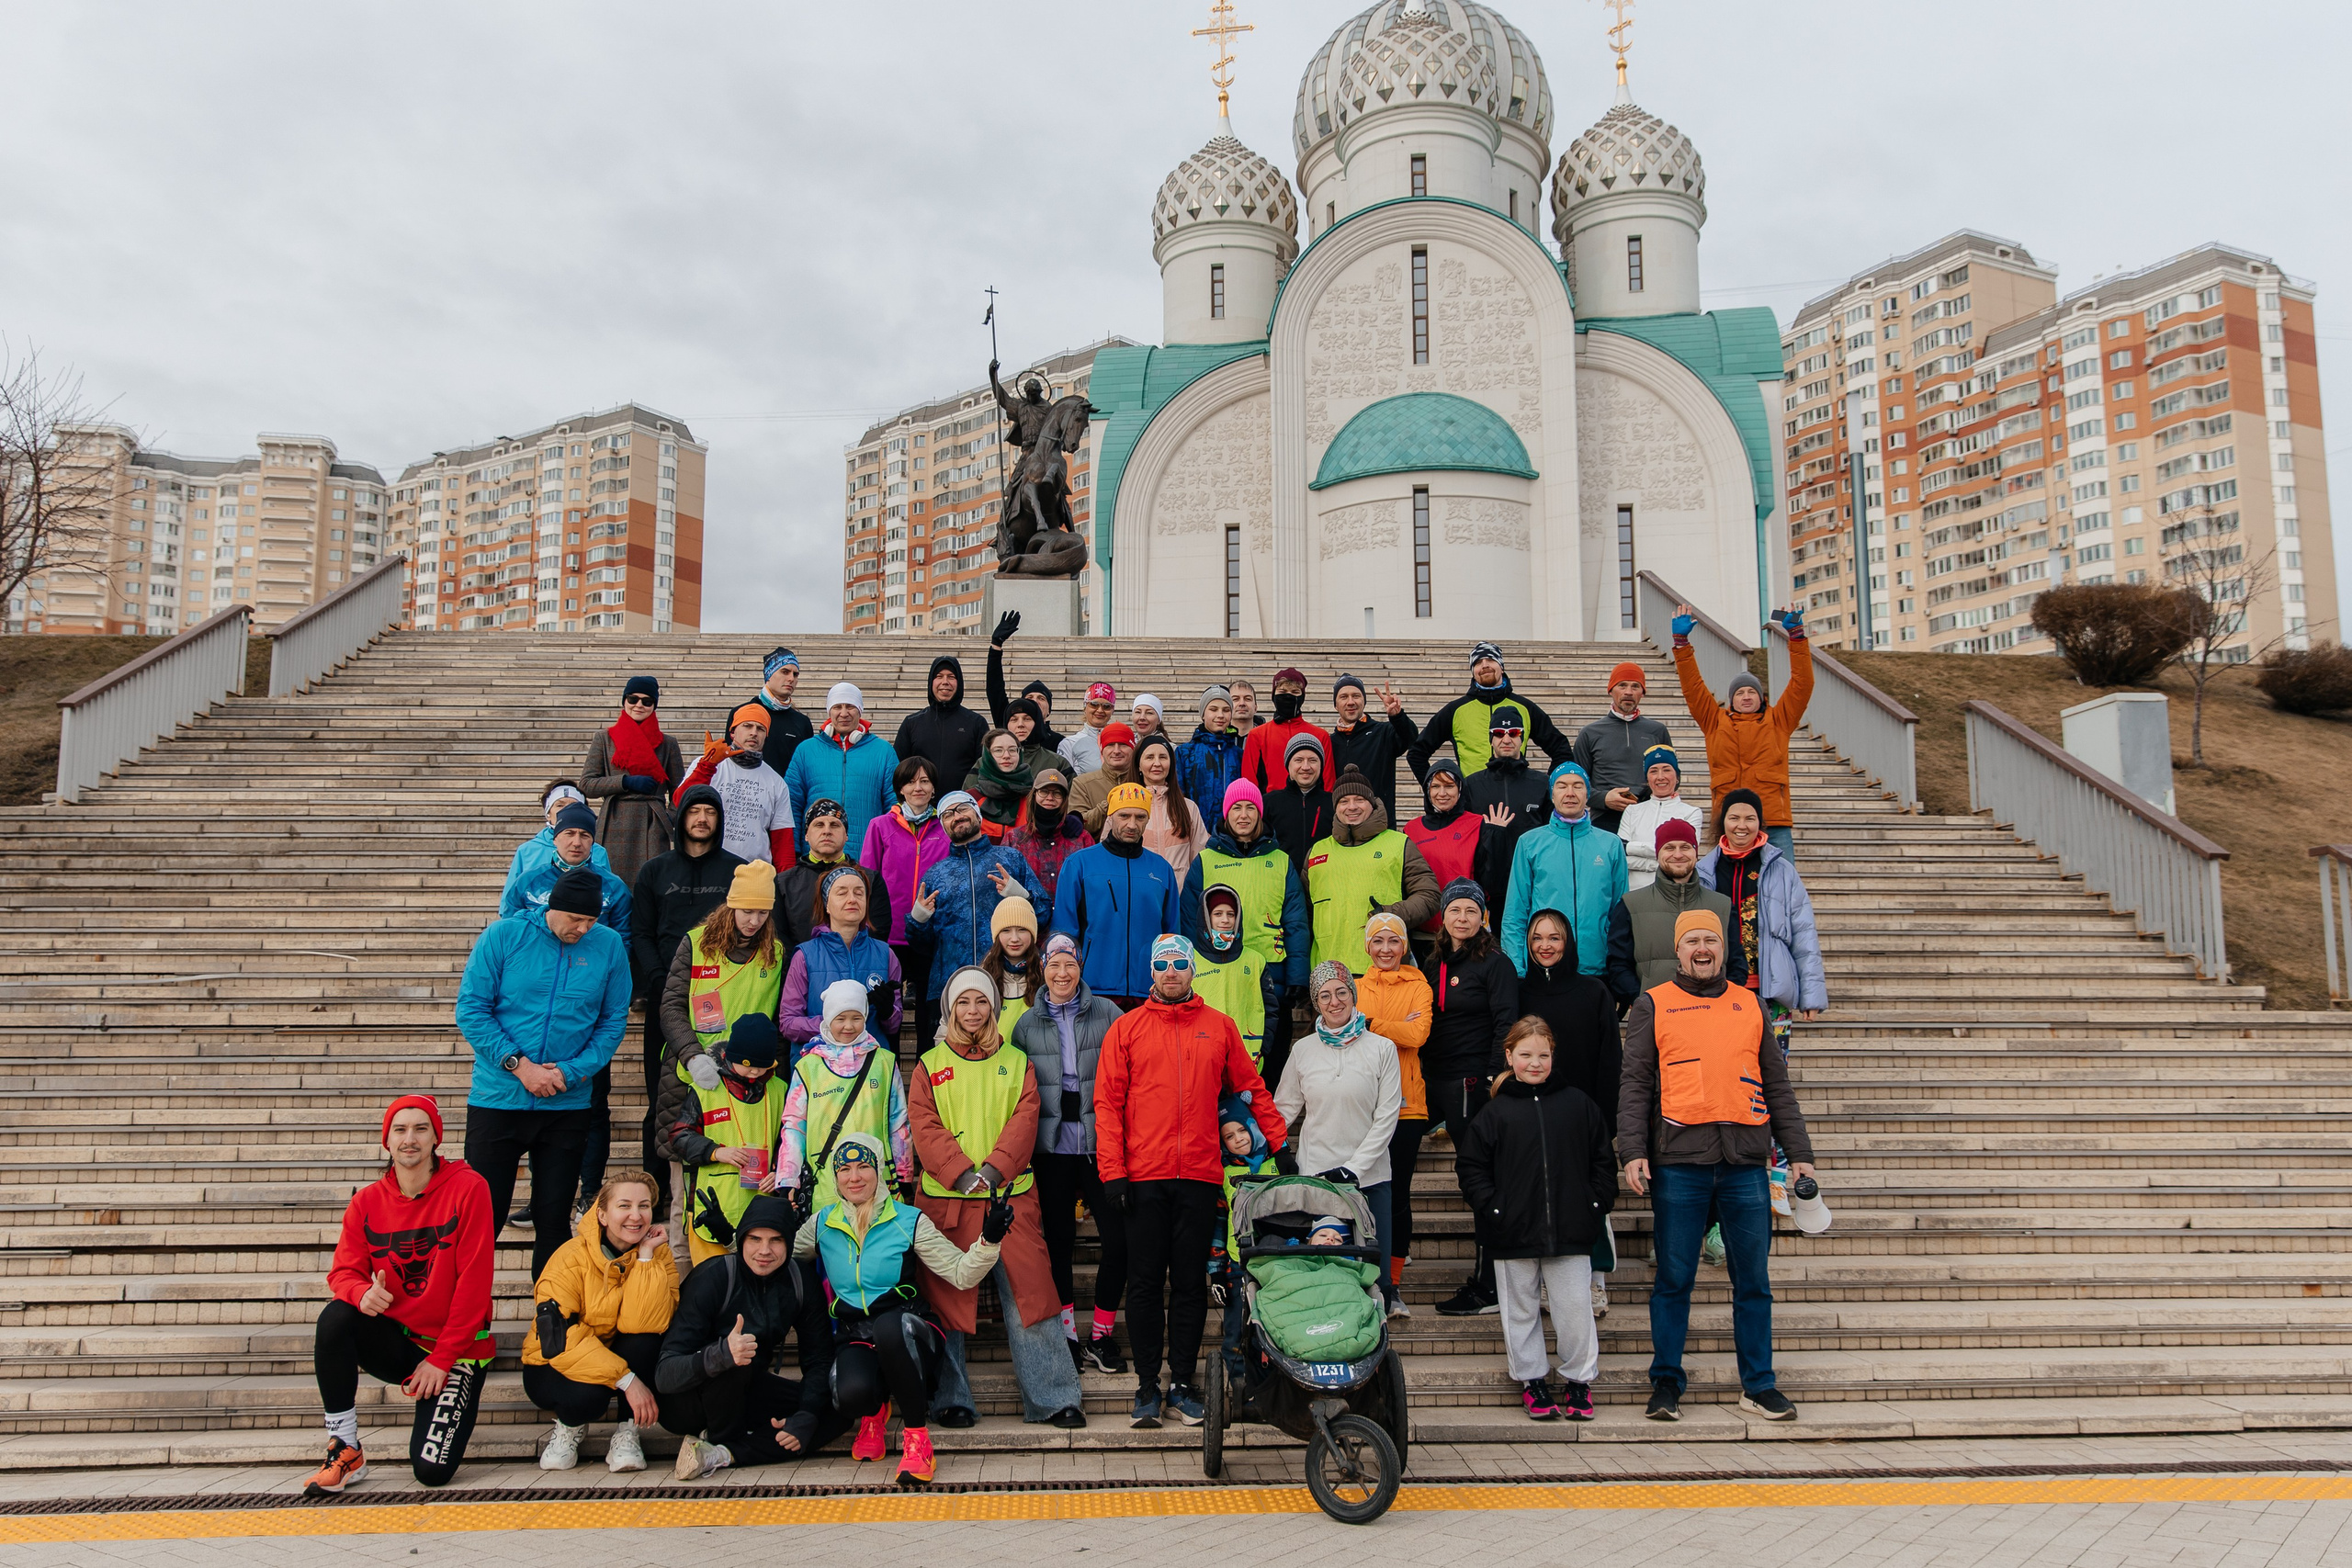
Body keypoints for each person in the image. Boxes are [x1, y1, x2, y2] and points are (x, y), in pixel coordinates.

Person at [1621, 909, 1815, 1422]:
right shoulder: (1653, 1004)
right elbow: (1636, 1084)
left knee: (1753, 1281)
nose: (1702, 948)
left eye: (1711, 939)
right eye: (1692, 941)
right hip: (1679, 1163)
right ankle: (1665, 1384)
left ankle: (1758, 1385)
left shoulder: (1749, 1004)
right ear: (1678, 951)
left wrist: (1800, 1157)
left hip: (1745, 1165)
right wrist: (1633, 1150)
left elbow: (1778, 1086)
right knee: (1674, 1280)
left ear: (1723, 948)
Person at [1095, 935, 1285, 1427]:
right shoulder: (1127, 1028)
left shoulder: (1219, 1027)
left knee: (1188, 1285)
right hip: (1143, 1177)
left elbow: (1251, 1086)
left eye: (1181, 962)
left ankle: (1181, 1385)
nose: (1172, 971)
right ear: (1151, 972)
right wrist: (1112, 1172)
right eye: (1163, 964)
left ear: (1193, 970)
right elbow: (1107, 1104)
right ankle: (1145, 1388)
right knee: (1142, 1285)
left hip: (1200, 1176)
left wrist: (1280, 1142)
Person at [909, 966, 1089, 1430]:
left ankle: (1054, 1397)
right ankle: (951, 1398)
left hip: (1008, 1197)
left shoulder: (1016, 1060)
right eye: (963, 1002)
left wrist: (991, 1171)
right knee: (944, 1298)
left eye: (981, 1002)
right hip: (948, 1199)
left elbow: (1027, 1118)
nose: (972, 1011)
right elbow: (924, 1126)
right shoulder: (928, 1065)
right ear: (950, 1007)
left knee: (1032, 1295)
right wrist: (961, 1173)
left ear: (994, 1007)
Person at [301, 1096, 495, 1495]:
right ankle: (345, 1445)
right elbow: (342, 1272)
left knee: (431, 1473)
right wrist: (360, 1294)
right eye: (400, 1130)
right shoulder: (367, 1202)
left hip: (455, 1349)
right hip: (398, 1341)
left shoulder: (469, 1188)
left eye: (421, 1129)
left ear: (436, 1138)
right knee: (337, 1318)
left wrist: (442, 1359)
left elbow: (475, 1285)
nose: (410, 1139)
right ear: (387, 1141)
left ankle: (449, 1380)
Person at [795, 1134, 1013, 1486]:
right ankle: (874, 1411)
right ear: (834, 1177)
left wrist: (990, 1238)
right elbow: (776, 1257)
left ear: (880, 1171)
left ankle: (917, 1439)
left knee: (888, 1327)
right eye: (845, 1169)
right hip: (857, 1335)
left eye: (864, 1166)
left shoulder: (908, 1220)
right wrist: (734, 1238)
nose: (854, 1177)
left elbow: (960, 1273)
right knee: (848, 1394)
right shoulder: (822, 1224)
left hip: (910, 1331)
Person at [458, 869, 632, 1277]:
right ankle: (465, 1322)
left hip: (565, 1103)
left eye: (591, 921)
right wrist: (519, 1066)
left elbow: (612, 1021)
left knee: (553, 1220)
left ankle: (549, 1322)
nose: (583, 928)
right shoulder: (504, 936)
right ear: (553, 907)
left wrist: (572, 1072)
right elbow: (472, 1009)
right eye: (576, 919)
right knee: (480, 1221)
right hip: (498, 1100)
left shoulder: (607, 946)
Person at [1457, 1018, 1614, 1422]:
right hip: (1512, 1231)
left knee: (1574, 1310)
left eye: (1542, 1055)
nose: (1535, 1063)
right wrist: (1493, 1209)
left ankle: (1579, 1381)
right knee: (1520, 1311)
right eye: (1526, 1055)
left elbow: (1602, 1159)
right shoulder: (1494, 1114)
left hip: (1571, 1230)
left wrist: (1595, 1204)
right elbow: (1472, 1168)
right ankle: (1533, 1381)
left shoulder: (1578, 1104)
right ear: (1509, 1056)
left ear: (1552, 1056)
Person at [659, 1191, 844, 1480]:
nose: (764, 1251)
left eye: (776, 1240)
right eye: (755, 1239)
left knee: (835, 1411)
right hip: (689, 1399)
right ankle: (727, 1438)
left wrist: (806, 1413)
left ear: (789, 1242)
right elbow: (665, 1374)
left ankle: (723, 1453)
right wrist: (719, 1355)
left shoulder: (800, 1280)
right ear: (742, 1240)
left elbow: (819, 1358)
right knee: (737, 1361)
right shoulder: (713, 1277)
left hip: (747, 1388)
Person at [1012, 933, 1130, 1374]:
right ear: (1042, 968)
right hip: (1051, 1148)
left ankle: (1101, 1333)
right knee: (1056, 1243)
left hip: (1101, 1146)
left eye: (1070, 964)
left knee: (1117, 1240)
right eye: (1054, 965)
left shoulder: (1109, 1015)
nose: (1062, 973)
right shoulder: (1026, 1023)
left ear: (1080, 967)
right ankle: (1066, 1332)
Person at [628, 783, 742, 1217]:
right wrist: (659, 981)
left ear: (719, 820)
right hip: (668, 1001)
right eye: (694, 811)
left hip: (722, 999)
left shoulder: (735, 870)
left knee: (723, 1092)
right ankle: (655, 1196)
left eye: (709, 812)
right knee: (662, 1095)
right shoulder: (655, 871)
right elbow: (641, 933)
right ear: (681, 818)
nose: (701, 819)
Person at [522, 1168, 677, 1472]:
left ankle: (627, 1432)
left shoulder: (659, 1254)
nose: (636, 1215)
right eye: (624, 1206)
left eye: (643, 1206)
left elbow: (646, 1324)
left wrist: (645, 1258)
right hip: (551, 1361)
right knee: (587, 1397)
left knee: (646, 1341)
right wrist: (627, 1380)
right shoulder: (570, 1257)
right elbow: (558, 1336)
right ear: (602, 1215)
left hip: (613, 1356)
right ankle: (569, 1428)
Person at [1274, 962, 1404, 1311]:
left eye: (1341, 992)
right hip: (1317, 1176)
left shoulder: (1382, 1049)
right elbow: (1283, 1109)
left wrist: (1355, 1169)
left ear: (1353, 994)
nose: (1334, 1002)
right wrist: (1268, 1145)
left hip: (1371, 1177)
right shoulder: (1303, 1051)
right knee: (1323, 1266)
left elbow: (1387, 1116)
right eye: (1324, 996)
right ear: (1316, 1003)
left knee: (1373, 1269)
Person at [1517, 907, 1622, 1320]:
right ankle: (1546, 1280)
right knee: (1541, 1199)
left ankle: (1595, 1282)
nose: (1546, 946)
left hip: (1583, 1117)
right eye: (1538, 938)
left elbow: (1610, 1061)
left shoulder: (1594, 992)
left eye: (1555, 937)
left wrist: (1605, 1120)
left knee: (1588, 1199)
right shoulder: (1520, 991)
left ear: (1568, 942)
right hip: (1531, 1116)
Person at [1419, 878, 1518, 1316]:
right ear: (1444, 916)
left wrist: (1496, 1074)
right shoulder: (1434, 959)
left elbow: (1506, 1022)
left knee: (1476, 1178)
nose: (1462, 918)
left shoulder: (1495, 963)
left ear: (1483, 918)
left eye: (1471, 911)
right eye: (1455, 910)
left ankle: (1490, 1285)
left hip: (1470, 1082)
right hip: (1432, 1079)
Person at [1672, 601, 1814, 859]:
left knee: (1781, 888)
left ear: (1761, 697)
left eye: (1752, 691)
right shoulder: (1714, 721)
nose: (1746, 696)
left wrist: (1796, 638)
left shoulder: (1779, 720)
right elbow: (1693, 688)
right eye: (1740, 692)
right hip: (1729, 821)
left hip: (1773, 821)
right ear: (1731, 700)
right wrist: (1681, 644)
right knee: (1729, 889)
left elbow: (1802, 685)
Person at [658, 1014, 791, 1266]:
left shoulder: (780, 1090)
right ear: (729, 1057)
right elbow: (678, 1136)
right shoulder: (706, 1090)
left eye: (762, 1066)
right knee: (713, 1283)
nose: (754, 1071)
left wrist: (779, 1170)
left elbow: (789, 1141)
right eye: (747, 1064)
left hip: (762, 1208)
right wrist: (716, 1152)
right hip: (714, 1206)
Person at [1698, 788, 1828, 1043]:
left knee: (1774, 1069)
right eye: (1734, 818)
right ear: (1722, 821)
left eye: (1750, 818)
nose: (1742, 826)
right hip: (1719, 988)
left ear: (1760, 823)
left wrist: (1811, 995)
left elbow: (1804, 933)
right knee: (1727, 1068)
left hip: (1773, 989)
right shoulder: (1704, 871)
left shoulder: (1782, 871)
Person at [907, 791, 1050, 1013]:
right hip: (951, 986)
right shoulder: (935, 875)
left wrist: (1023, 897)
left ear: (977, 813)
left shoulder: (1011, 859)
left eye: (963, 808)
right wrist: (918, 921)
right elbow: (923, 946)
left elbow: (1042, 915)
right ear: (944, 826)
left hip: (1008, 982)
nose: (957, 816)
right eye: (948, 814)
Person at [778, 980, 913, 1213]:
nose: (848, 1026)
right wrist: (788, 1179)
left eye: (856, 1018)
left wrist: (904, 1174)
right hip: (825, 1187)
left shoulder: (884, 1062)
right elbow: (794, 1127)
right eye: (840, 1019)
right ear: (828, 1020)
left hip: (877, 1184)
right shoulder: (808, 1066)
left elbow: (898, 1122)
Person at [1051, 784, 1185, 1010]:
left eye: (1140, 817)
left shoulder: (1162, 869)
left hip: (1149, 991)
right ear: (1110, 816)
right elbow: (1064, 934)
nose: (1132, 824)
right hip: (1093, 990)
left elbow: (1172, 935)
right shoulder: (1079, 864)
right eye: (1124, 815)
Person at [1357, 912, 1431, 1313]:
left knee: (1397, 1196)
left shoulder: (1419, 984)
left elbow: (1418, 1035)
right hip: (1362, 1106)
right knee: (1362, 1195)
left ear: (1404, 947)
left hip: (1407, 1106)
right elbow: (1347, 1031)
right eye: (1378, 941)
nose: (1386, 949)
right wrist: (1394, 1025)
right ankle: (1364, 1276)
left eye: (1394, 941)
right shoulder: (1354, 986)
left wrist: (1369, 1023)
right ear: (1367, 947)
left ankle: (1394, 1285)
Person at [1500, 762, 1627, 984]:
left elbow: (1620, 912)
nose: (1570, 793)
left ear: (1588, 793)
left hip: (1596, 967)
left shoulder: (1611, 844)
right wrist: (1517, 970)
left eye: (1578, 786)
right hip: (1544, 965)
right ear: (1552, 794)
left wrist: (1618, 965)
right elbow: (1515, 911)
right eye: (1562, 786)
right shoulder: (1530, 843)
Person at [1306, 765, 1439, 976]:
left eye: (1359, 800)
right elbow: (1304, 912)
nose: (1352, 807)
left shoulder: (1399, 844)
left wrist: (1391, 915)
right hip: (1329, 973)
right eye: (1343, 801)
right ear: (1335, 807)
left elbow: (1429, 895)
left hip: (1384, 969)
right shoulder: (1317, 852)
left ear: (1372, 803)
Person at [1607, 818, 1744, 1004]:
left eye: (1685, 847)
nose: (1678, 855)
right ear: (1658, 854)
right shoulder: (1631, 904)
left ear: (1696, 853)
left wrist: (1722, 1000)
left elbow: (1737, 963)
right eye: (1669, 848)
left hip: (1713, 1015)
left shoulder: (1722, 905)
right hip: (1655, 1017)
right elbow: (1618, 964)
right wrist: (1641, 1000)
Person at [1408, 641, 1576, 779]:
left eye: (1491, 660)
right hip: (1472, 802)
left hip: (1519, 797)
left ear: (1501, 666)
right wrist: (1433, 789)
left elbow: (1561, 749)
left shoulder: (1525, 707)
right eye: (1478, 662)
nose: (1485, 665)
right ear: (1473, 672)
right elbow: (1417, 753)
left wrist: (1547, 787)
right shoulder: (1455, 710)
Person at [777, 864, 903, 1049]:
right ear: (827, 904)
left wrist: (887, 1012)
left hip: (870, 1066)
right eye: (842, 893)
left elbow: (893, 1026)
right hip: (820, 1066)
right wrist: (834, 1022)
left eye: (859, 893)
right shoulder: (805, 956)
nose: (852, 899)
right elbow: (788, 1024)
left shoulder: (886, 954)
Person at [582, 675, 684, 886]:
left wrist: (669, 817)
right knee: (610, 884)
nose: (639, 705)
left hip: (652, 823)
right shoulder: (604, 738)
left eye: (647, 701)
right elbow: (587, 784)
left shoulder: (668, 744)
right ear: (624, 701)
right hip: (615, 820)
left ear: (654, 706)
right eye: (633, 699)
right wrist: (624, 782)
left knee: (650, 884)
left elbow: (680, 789)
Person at [672, 703, 797, 871]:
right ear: (732, 732)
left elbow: (783, 842)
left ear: (766, 736)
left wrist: (785, 885)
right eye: (747, 726)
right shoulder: (707, 764)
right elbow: (680, 802)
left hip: (754, 874)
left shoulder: (776, 782)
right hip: (705, 867)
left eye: (761, 729)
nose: (754, 732)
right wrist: (706, 768)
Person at [786, 682, 900, 855]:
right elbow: (792, 805)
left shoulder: (884, 752)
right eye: (837, 707)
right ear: (829, 711)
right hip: (815, 855)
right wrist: (793, 851)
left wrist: (890, 851)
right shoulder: (805, 751)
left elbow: (894, 807)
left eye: (851, 707)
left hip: (866, 856)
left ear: (860, 711)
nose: (844, 713)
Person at [1400, 759, 1498, 955]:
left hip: (1466, 933)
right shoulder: (1411, 829)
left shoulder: (1476, 824)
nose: (1442, 793)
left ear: (1460, 789)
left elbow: (1488, 879)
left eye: (1449, 786)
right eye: (1435, 786)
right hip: (1424, 933)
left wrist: (1498, 837)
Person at [1459, 705, 1552, 908]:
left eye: (1514, 733)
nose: (1506, 739)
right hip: (1487, 886)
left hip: (1532, 882)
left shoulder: (1542, 783)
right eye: (1499, 733)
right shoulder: (1472, 785)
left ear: (1522, 738)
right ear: (1491, 739)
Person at [501, 801, 632, 934]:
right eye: (569, 833)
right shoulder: (527, 881)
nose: (577, 843)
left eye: (584, 835)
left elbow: (624, 938)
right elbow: (509, 931)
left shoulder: (614, 887)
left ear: (592, 842)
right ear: (555, 839)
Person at [1573, 661, 1673, 836]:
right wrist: (1604, 799)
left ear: (1643, 692)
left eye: (1635, 686)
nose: (1628, 692)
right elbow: (1575, 782)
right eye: (1622, 685)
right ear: (1611, 690)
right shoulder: (1590, 733)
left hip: (1650, 817)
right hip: (1604, 820)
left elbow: (1671, 774)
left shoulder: (1657, 731)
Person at [777, 796, 891, 948]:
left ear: (846, 836)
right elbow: (779, 938)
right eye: (819, 825)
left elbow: (878, 933)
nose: (827, 831)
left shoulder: (870, 880)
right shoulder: (784, 883)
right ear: (806, 835)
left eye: (834, 825)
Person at [892, 653, 989, 794]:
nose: (945, 682)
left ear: (959, 682)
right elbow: (898, 769)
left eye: (951, 677)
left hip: (962, 807)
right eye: (939, 676)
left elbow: (985, 768)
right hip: (921, 807)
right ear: (931, 682)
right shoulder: (912, 723)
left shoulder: (976, 723)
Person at [1190, 883, 1266, 1062]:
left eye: (1231, 914)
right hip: (1202, 1056)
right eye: (1217, 914)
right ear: (1205, 918)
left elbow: (1269, 1010)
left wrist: (1264, 1047)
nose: (1225, 920)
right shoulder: (1190, 960)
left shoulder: (1255, 960)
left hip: (1246, 1056)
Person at [1329, 674, 1421, 819]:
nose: (1350, 702)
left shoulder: (1384, 732)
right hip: (1342, 826)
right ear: (1335, 705)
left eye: (1356, 696)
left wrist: (1398, 717)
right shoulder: (1329, 742)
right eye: (1344, 697)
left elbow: (1411, 738)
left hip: (1379, 823)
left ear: (1364, 701)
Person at [1616, 747, 1705, 891]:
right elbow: (1621, 856)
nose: (1660, 776)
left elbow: (1686, 853)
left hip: (1674, 893)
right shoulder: (1632, 810)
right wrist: (1663, 862)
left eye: (1667, 769)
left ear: (1677, 777)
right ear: (1647, 779)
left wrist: (1630, 847)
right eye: (1653, 771)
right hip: (1635, 893)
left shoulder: (1692, 812)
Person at [505, 780, 612, 897]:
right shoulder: (527, 851)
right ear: (548, 813)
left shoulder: (599, 852)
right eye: (559, 805)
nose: (566, 810)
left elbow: (608, 892)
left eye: (573, 805)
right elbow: (510, 899)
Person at [1238, 666, 1331, 794]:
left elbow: (1328, 784)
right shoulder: (1257, 735)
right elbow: (1249, 781)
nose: (1288, 696)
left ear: (1302, 697)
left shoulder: (1321, 736)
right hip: (1269, 809)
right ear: (1274, 696)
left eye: (1295, 692)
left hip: (1312, 808)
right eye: (1282, 692)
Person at [1005, 768, 1093, 901]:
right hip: (1027, 917)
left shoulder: (1082, 838)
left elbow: (1092, 882)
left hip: (1071, 918)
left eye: (1057, 793)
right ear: (1034, 795)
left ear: (1064, 799)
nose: (1050, 798)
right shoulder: (1015, 838)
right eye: (1044, 792)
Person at [984, 611, 1066, 752]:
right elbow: (994, 689)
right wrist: (996, 646)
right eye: (1029, 698)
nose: (1035, 701)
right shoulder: (1007, 732)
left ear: (1049, 710)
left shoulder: (1060, 743)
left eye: (1041, 698)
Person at [1133, 733, 1209, 879]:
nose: (1157, 763)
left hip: (1179, 895)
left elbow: (1199, 857)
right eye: (1150, 757)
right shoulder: (1125, 806)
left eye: (1163, 757)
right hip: (1139, 895)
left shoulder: (1188, 807)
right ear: (1139, 766)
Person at [741, 646, 816, 779]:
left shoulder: (802, 722)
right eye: (785, 672)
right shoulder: (742, 713)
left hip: (787, 795)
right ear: (769, 675)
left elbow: (806, 768)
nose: (791, 678)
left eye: (795, 674)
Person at [1266, 731, 1333, 872]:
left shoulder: (1334, 803)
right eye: (1299, 760)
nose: (1306, 767)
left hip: (1324, 881)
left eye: (1313, 760)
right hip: (1282, 882)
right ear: (1288, 764)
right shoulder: (1269, 803)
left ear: (1321, 765)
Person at [1173, 685, 1243, 810]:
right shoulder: (1184, 753)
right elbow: (1178, 795)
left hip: (1231, 827)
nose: (1220, 715)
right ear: (1203, 714)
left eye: (1226, 710)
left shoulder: (1239, 754)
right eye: (1214, 709)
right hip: (1196, 826)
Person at [980, 897, 1038, 1034]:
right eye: (1006, 930)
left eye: (1022, 929)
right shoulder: (982, 977)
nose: (1014, 938)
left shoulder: (1046, 974)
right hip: (994, 1054)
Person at [1068, 720, 1139, 830]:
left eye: (1123, 745)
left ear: (1133, 749)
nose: (1116, 751)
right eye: (1110, 745)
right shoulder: (1082, 784)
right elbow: (1076, 824)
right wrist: (1107, 805)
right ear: (1102, 750)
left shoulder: (1143, 780)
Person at [965, 726, 1035, 836]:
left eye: (1012, 750)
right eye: (998, 750)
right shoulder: (970, 799)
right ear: (987, 756)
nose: (1006, 756)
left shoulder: (1034, 797)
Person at [1057, 681, 1117, 775]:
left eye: (1106, 706)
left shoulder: (1120, 741)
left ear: (1112, 710)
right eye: (1094, 704)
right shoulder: (1069, 744)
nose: (1100, 710)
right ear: (1085, 707)